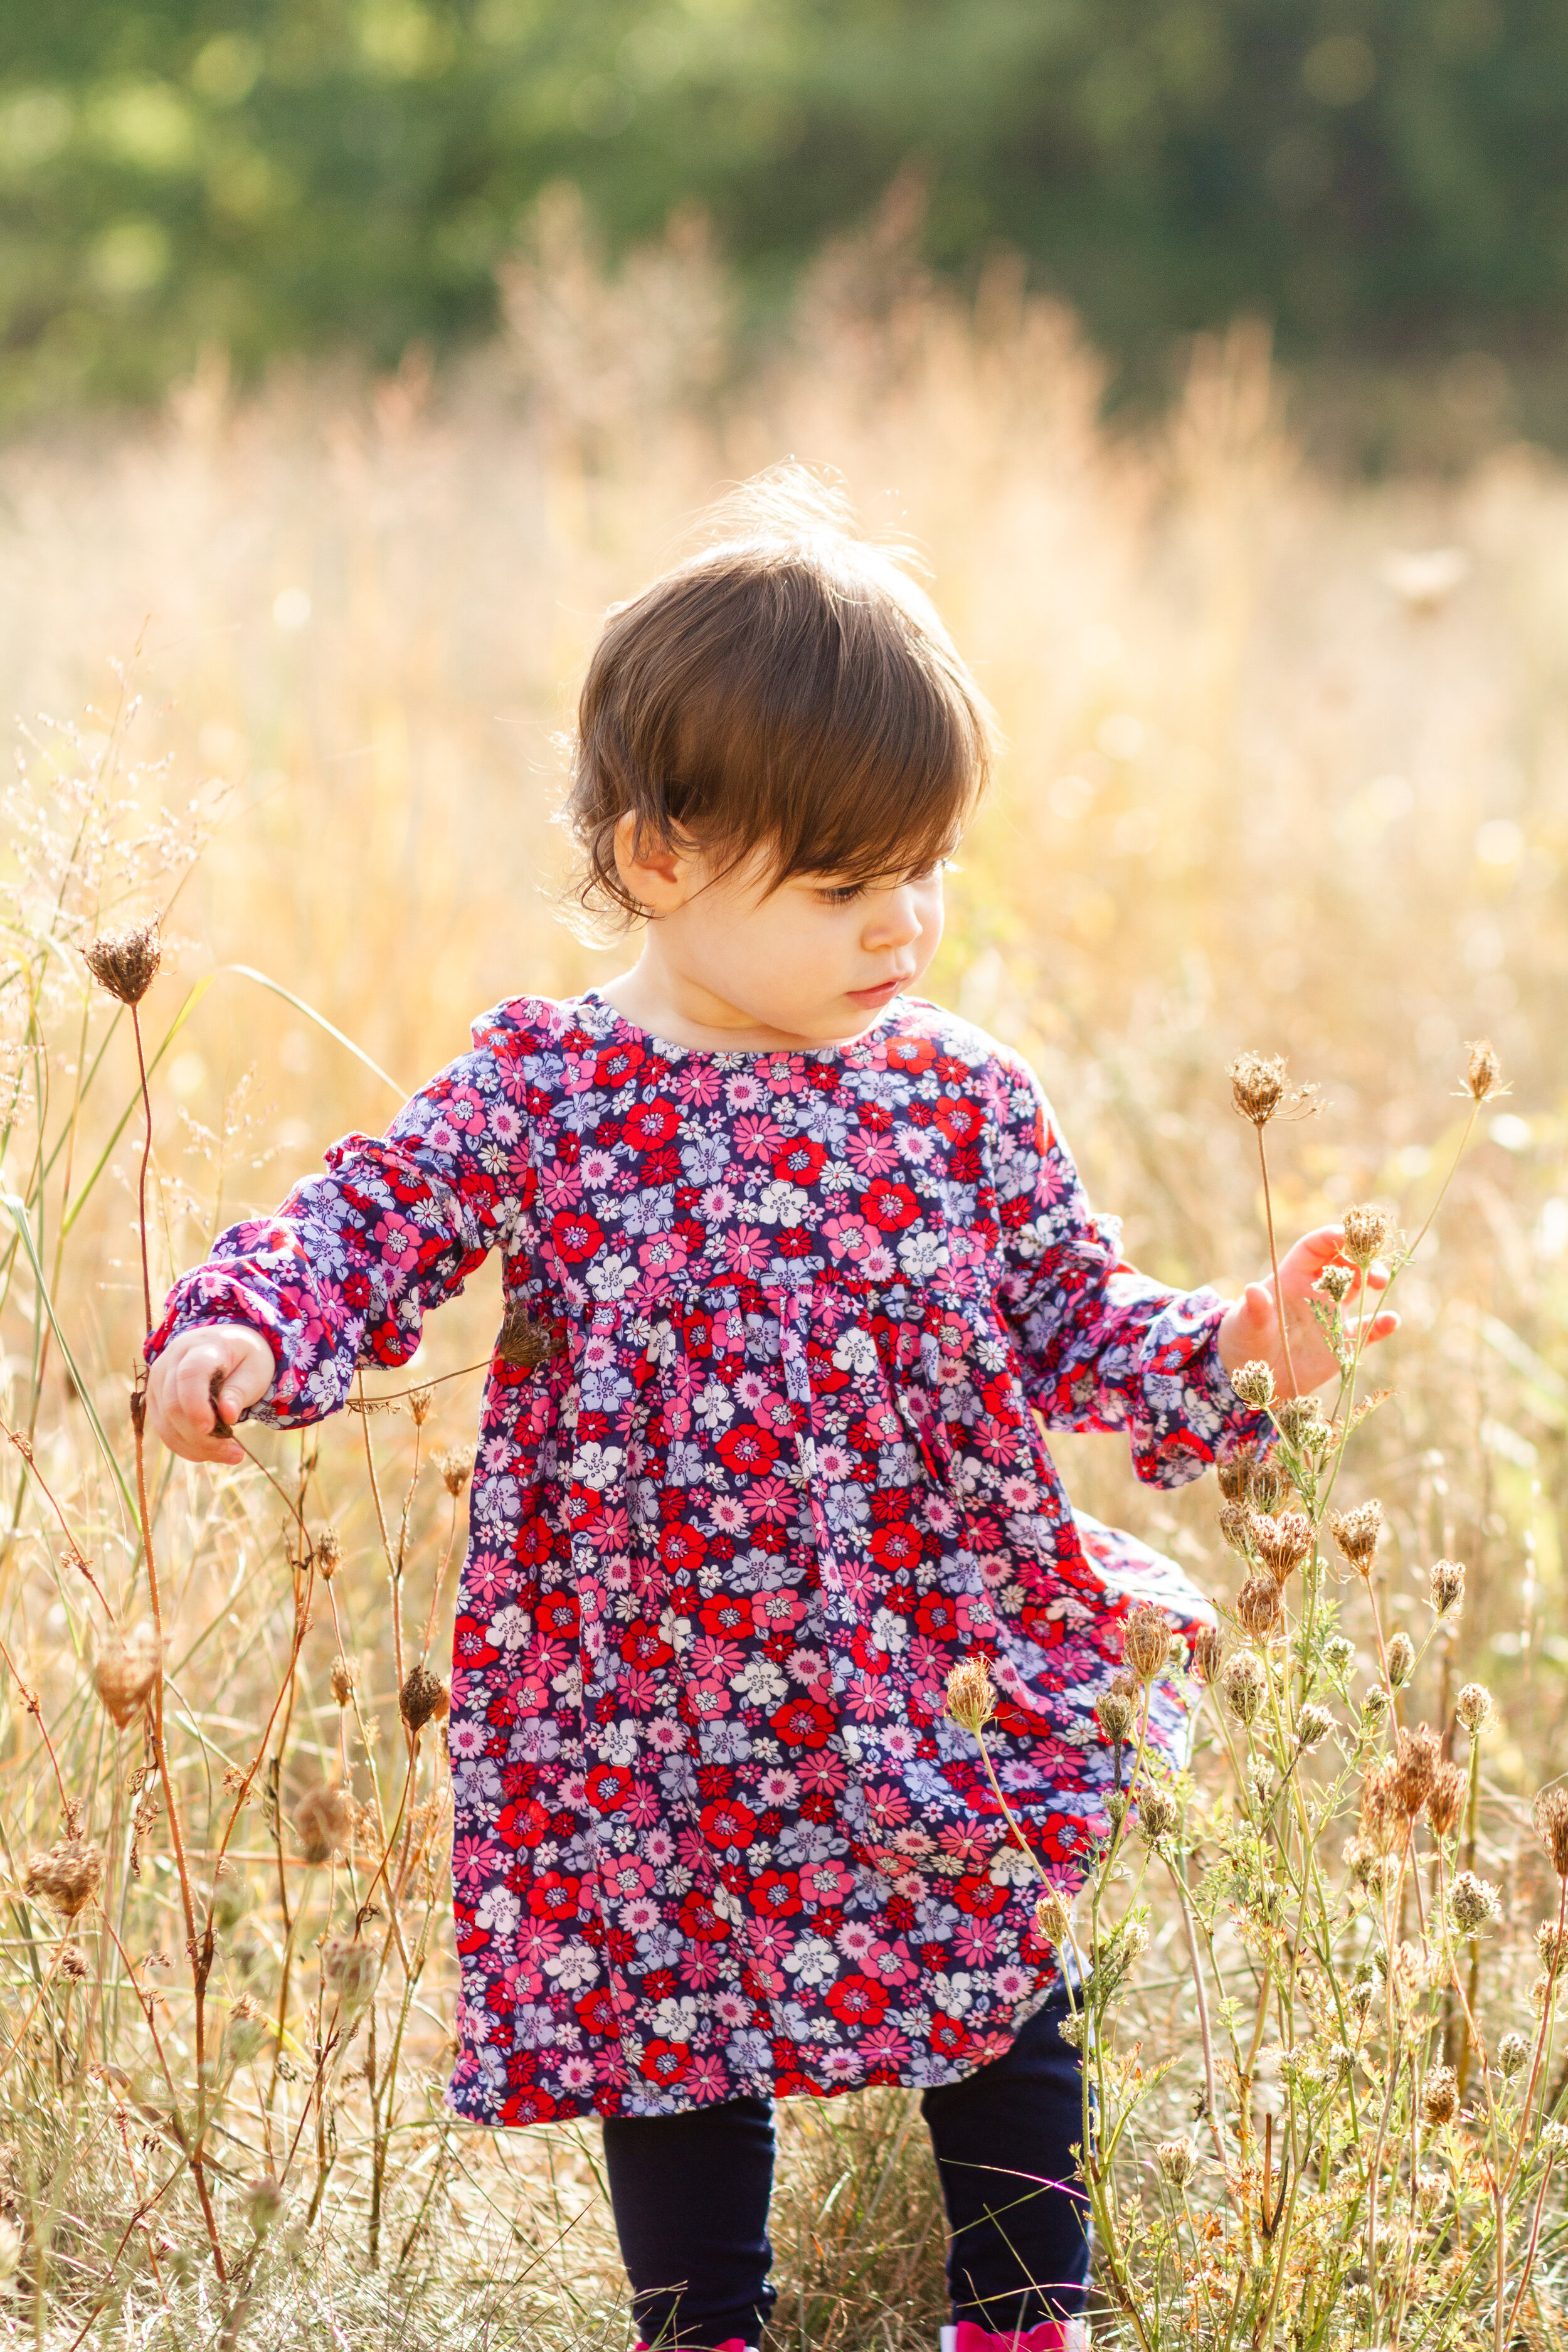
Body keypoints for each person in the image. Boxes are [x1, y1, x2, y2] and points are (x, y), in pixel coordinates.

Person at [144, 470, 1394, 2352]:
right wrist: (244, 1327)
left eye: (923, 871)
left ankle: (1018, 2315)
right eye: (843, 886)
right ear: (659, 855)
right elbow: (369, 1221)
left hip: (928, 1638)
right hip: (644, 1675)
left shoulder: (958, 1099)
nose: (902, 924)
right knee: (675, 2018)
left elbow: (1073, 1320)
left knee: (992, 1976)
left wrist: (1235, 1347)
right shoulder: (551, 1083)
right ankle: (703, 2327)